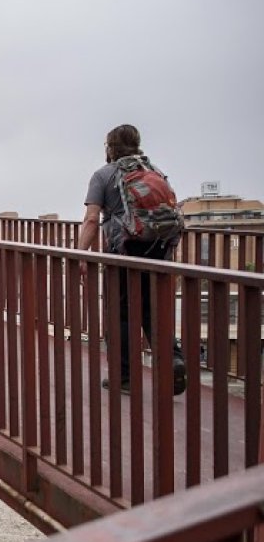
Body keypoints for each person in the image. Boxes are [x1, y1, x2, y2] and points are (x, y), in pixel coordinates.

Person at [77, 124, 186, 395]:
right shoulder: (155, 171)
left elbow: (92, 218)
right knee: (152, 309)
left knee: (122, 314)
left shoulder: (103, 175)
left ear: (110, 147)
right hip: (158, 250)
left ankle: (124, 378)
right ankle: (173, 358)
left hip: (124, 252)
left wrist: (80, 254)